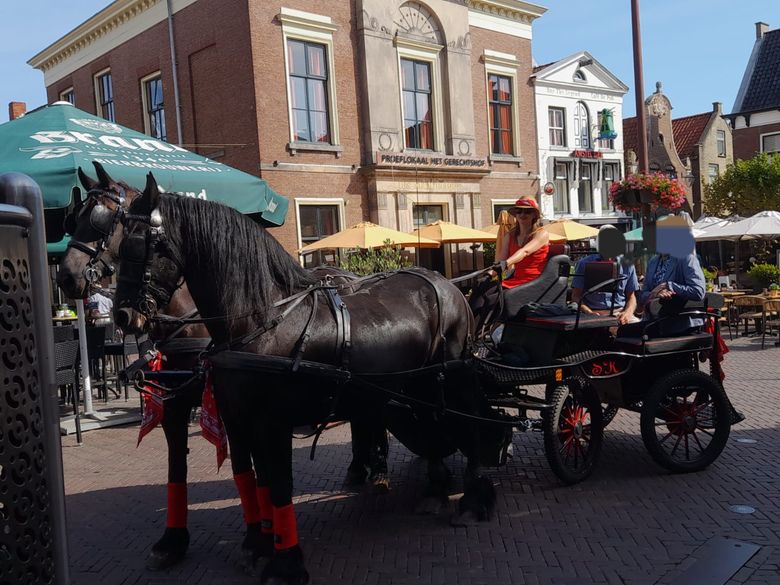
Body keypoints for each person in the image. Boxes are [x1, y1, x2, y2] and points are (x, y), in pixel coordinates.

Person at [571, 225, 639, 326]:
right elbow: (576, 296)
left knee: (639, 329)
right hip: (590, 313)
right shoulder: (584, 263)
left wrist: (627, 313)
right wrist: (589, 312)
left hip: (619, 312)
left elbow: (631, 297)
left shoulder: (627, 264)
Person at [496, 197, 550, 288]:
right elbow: (501, 261)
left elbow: (525, 251)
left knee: (494, 295)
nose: (522, 214)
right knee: (483, 290)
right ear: (516, 215)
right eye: (519, 211)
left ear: (534, 215)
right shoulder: (509, 236)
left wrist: (506, 263)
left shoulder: (541, 234)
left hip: (535, 281)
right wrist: (489, 274)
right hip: (516, 280)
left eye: (527, 211)